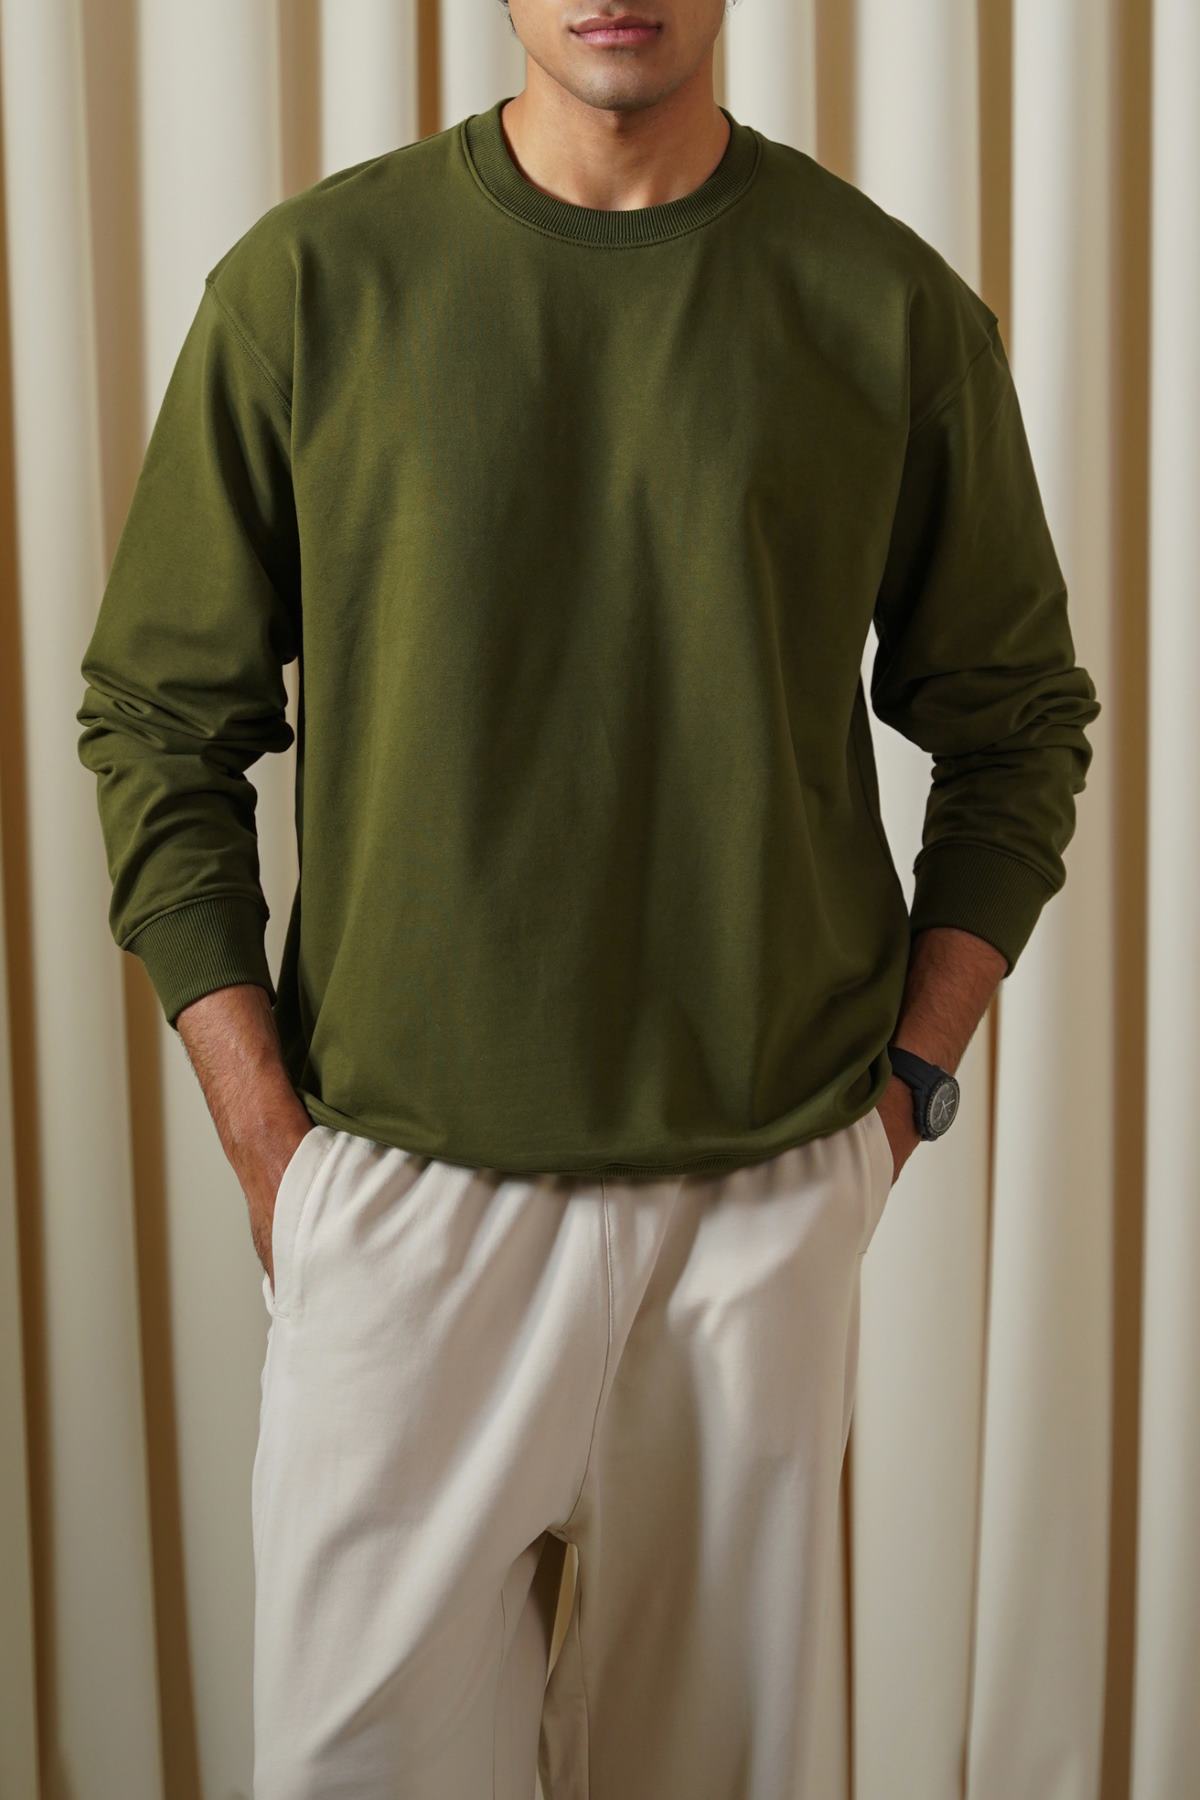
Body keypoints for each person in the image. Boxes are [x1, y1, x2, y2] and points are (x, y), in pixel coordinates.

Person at [75, 2, 1101, 1795]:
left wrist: (896, 1109)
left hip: (763, 1200)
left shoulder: (885, 306)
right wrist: (271, 1152)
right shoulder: (309, 287)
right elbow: (161, 723)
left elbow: (1018, 727)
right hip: (400, 1199)